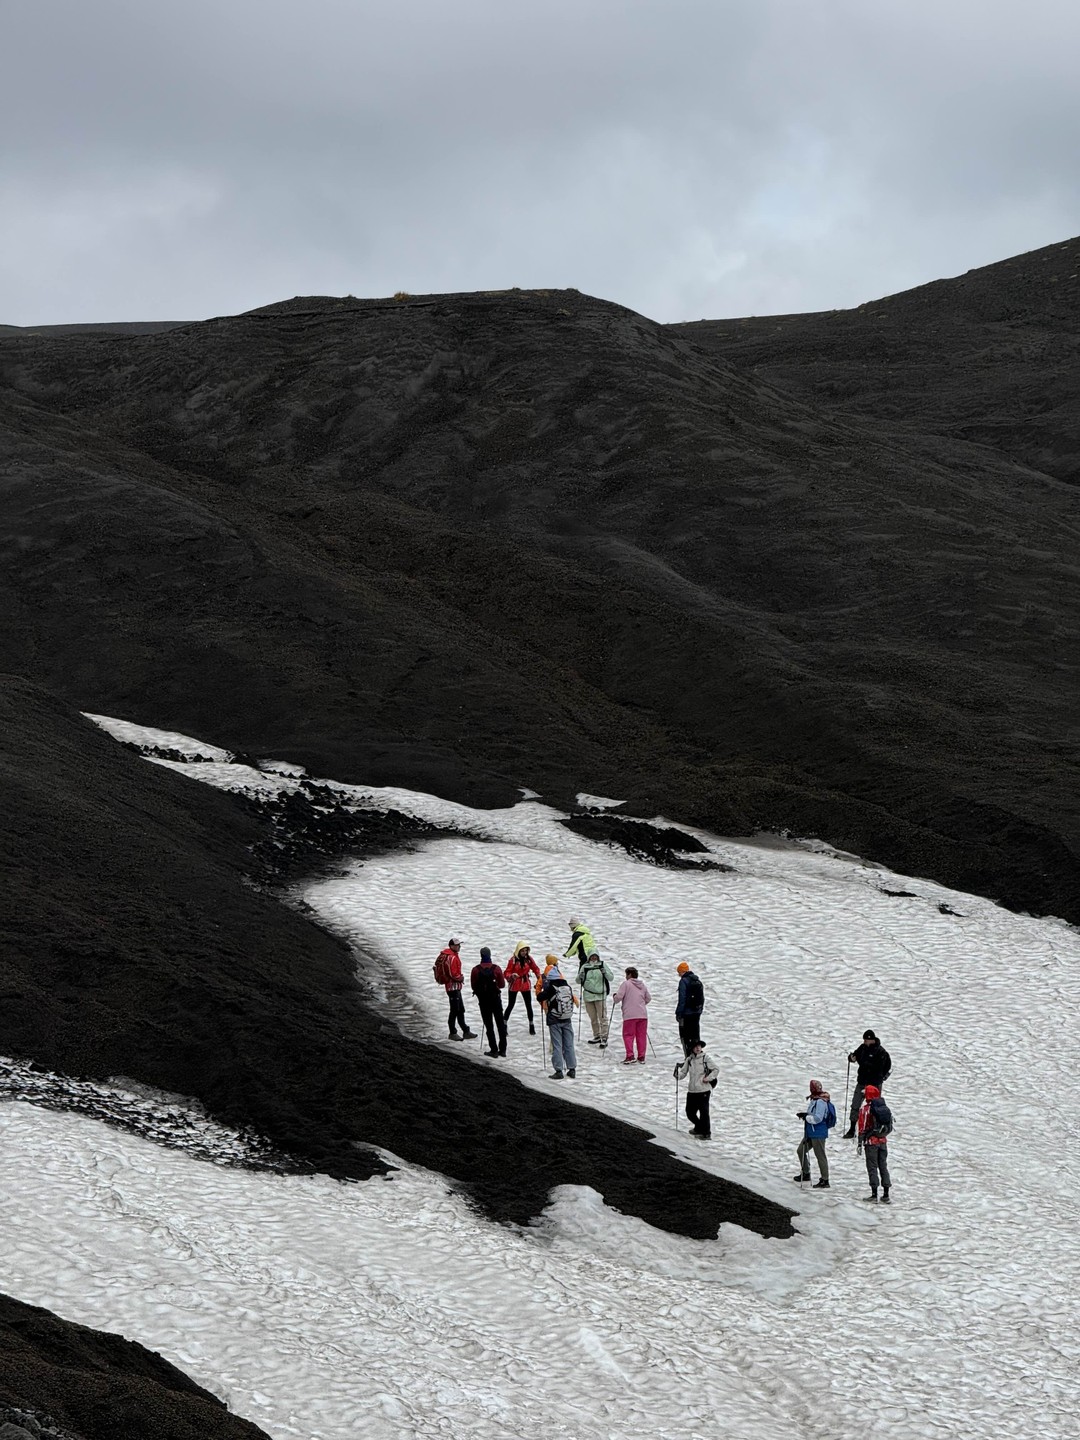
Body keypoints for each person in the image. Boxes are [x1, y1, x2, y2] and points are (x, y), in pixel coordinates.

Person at [843, 1030, 892, 1137]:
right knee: (855, 1104)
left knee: (875, 1107)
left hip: (874, 1085)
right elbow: (854, 1055)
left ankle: (875, 1128)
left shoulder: (881, 1052)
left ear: (871, 1039)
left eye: (866, 1040)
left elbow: (886, 1066)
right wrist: (851, 1058)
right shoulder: (863, 1048)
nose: (864, 1042)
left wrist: (879, 1077)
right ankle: (852, 1129)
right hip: (862, 1082)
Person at [538, 962, 577, 1079]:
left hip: (554, 1019)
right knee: (569, 1044)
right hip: (567, 1018)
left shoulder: (551, 987)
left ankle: (559, 1071)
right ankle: (572, 1069)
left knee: (557, 1045)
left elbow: (540, 997)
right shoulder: (567, 987)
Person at [856, 1083, 894, 1202]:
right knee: (883, 1166)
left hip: (871, 1142)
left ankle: (874, 1194)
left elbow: (862, 1127)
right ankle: (886, 1194)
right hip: (883, 1141)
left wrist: (860, 1142)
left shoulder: (865, 1110)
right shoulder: (883, 1108)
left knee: (872, 1167)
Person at [674, 1038, 718, 1138]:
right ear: (692, 1049)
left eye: (699, 1046)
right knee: (690, 1112)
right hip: (692, 1091)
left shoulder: (706, 1058)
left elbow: (716, 1069)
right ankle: (699, 1128)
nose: (698, 1048)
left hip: (704, 1090)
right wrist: (677, 1076)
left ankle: (706, 1133)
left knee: (704, 1113)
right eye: (695, 1046)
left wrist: (708, 1078)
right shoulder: (689, 1059)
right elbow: (683, 1072)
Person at [435, 938, 476, 1041]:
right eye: (457, 945)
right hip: (452, 987)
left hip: (454, 987)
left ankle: (465, 1031)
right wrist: (460, 978)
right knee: (455, 1010)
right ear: (452, 946)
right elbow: (452, 974)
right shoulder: (452, 957)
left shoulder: (451, 955)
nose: (459, 947)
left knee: (460, 1009)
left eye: (459, 945)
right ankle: (453, 1032)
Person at [470, 947, 507, 1058]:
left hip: (483, 1001)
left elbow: (473, 986)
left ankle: (494, 1050)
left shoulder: (476, 970)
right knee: (500, 1024)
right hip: (496, 999)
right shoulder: (496, 968)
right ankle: (503, 1050)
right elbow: (502, 985)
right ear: (490, 955)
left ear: (481, 955)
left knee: (489, 1025)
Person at [794, 1079, 832, 1188]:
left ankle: (825, 1180)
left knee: (820, 1156)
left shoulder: (820, 1101)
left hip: (818, 1133)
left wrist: (806, 1117)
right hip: (811, 1131)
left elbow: (818, 1118)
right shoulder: (815, 1099)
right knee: (801, 1150)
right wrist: (805, 1115)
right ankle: (806, 1173)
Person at [612, 967, 651, 1063]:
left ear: (629, 974)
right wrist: (641, 1004)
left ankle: (630, 1056)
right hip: (642, 1014)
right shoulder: (642, 985)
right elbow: (648, 998)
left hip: (630, 1015)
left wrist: (614, 997)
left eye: (626, 974)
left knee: (628, 1035)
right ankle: (641, 1056)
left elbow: (618, 998)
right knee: (641, 1036)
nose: (626, 977)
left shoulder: (626, 984)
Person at [577, 951, 614, 1047]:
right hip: (588, 996)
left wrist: (605, 973)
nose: (594, 958)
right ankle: (597, 1036)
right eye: (592, 956)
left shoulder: (602, 965)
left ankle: (604, 1037)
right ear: (589, 957)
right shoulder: (585, 967)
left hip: (600, 996)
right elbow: (578, 981)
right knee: (593, 1017)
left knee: (602, 1017)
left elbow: (611, 977)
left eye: (595, 956)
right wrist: (580, 977)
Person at [504, 942, 540, 1033]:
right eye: (522, 951)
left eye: (526, 950)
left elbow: (535, 968)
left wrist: (539, 977)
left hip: (525, 983)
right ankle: (504, 1024)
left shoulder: (529, 959)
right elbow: (507, 972)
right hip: (515, 983)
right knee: (511, 1005)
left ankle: (531, 1024)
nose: (524, 952)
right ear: (518, 951)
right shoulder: (512, 960)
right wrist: (511, 976)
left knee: (528, 1005)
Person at [675, 961, 705, 1054]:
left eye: (679, 972)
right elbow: (702, 998)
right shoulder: (697, 981)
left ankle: (688, 1057)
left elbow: (682, 999)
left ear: (682, 971)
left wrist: (679, 1013)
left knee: (686, 1036)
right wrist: (700, 1010)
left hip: (687, 1014)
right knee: (695, 1035)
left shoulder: (683, 981)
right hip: (697, 1012)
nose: (679, 974)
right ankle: (698, 1056)